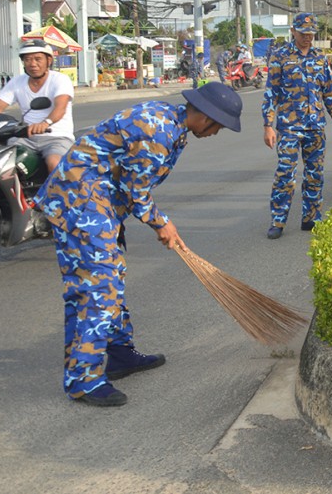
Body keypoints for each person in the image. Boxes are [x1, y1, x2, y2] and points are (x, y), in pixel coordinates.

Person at [34, 82, 242, 406]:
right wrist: (162, 224)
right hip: (81, 204)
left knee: (110, 278)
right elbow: (137, 192)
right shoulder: (159, 132)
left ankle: (119, 353)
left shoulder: (173, 123)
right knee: (97, 289)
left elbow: (128, 182)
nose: (216, 133)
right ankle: (83, 380)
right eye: (219, 126)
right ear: (205, 117)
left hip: (98, 204)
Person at [261, 12, 332, 240]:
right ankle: (278, 220)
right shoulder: (280, 56)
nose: (307, 37)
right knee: (285, 175)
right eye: (303, 33)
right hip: (289, 126)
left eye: (311, 34)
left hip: (315, 126)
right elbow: (271, 93)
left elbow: (329, 91)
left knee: (315, 174)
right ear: (293, 31)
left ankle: (311, 217)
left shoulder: (320, 58)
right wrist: (268, 125)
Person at [0, 39, 75, 173]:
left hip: (57, 137)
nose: (32, 64)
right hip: (25, 137)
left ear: (49, 60)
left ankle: (61, 187)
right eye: (27, 60)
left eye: (38, 59)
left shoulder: (60, 79)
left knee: (54, 163)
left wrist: (45, 123)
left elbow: (60, 108)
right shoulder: (17, 82)